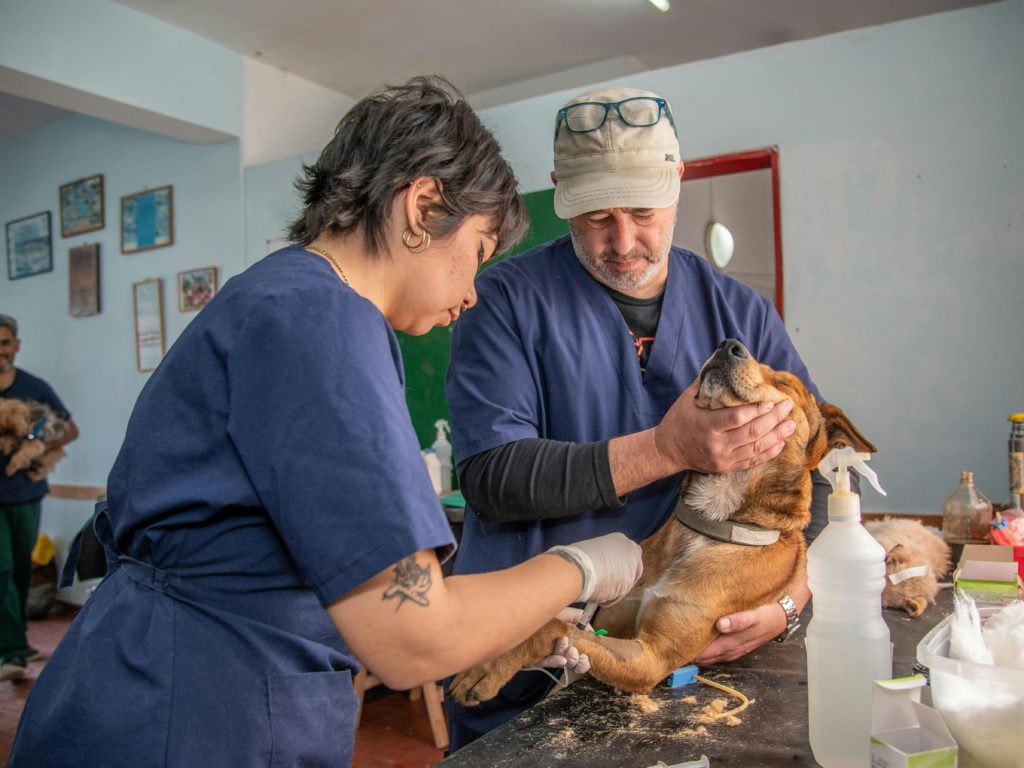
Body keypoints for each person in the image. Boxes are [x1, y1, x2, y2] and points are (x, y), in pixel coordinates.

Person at [7, 77, 643, 768]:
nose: (471, 292)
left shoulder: (282, 296)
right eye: (480, 252)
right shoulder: (324, 322)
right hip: (192, 714)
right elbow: (412, 638)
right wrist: (581, 566)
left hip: (157, 683)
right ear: (424, 205)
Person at [444, 85, 832, 749]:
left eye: (645, 212)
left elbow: (813, 487)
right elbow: (492, 478)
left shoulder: (740, 314)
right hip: (526, 675)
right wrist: (667, 448)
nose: (624, 242)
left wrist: (788, 603)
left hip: (683, 682)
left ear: (677, 182)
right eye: (597, 217)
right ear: (559, 189)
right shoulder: (501, 302)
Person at [0, 314, 79, 683]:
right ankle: (11, 650)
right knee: (0, 570)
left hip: (26, 493)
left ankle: (17, 642)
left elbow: (69, 429)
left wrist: (37, 445)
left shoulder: (34, 387)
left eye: (4, 342)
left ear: (16, 345)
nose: (0, 351)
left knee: (19, 568)